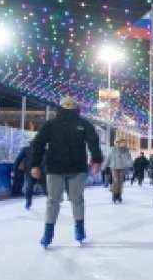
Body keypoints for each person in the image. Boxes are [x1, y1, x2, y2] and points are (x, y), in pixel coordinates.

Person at [30, 96, 104, 248]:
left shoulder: (83, 124)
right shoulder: (50, 125)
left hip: (77, 167)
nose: (69, 106)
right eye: (66, 104)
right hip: (55, 167)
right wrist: (34, 165)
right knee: (53, 200)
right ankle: (48, 233)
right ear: (61, 106)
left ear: (76, 107)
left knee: (76, 199)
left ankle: (79, 228)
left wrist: (96, 160)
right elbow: (38, 145)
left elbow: (93, 142)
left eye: (72, 104)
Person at [105, 137, 133, 204]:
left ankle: (119, 195)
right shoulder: (112, 149)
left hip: (122, 167)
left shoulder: (125, 149)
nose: (122, 143)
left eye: (123, 142)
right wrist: (105, 165)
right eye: (120, 142)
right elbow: (108, 157)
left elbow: (128, 158)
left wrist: (130, 164)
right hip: (114, 167)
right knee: (116, 181)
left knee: (120, 182)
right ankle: (115, 194)